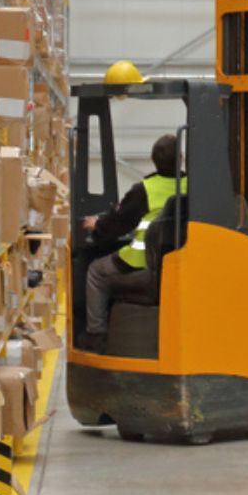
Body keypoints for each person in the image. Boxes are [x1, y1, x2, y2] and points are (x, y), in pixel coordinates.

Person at [83, 134, 184, 343]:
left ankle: (96, 335)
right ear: (181, 158)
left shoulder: (144, 190)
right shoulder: (192, 187)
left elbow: (116, 225)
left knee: (95, 272)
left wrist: (97, 227)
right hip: (179, 264)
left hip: (142, 265)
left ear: (154, 160)